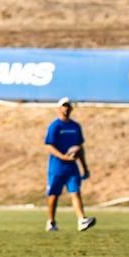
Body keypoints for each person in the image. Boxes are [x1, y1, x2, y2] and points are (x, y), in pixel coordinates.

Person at [45, 97, 96, 232]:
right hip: (57, 167)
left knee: (76, 193)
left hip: (72, 167)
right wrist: (62, 156)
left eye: (69, 106)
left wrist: (84, 166)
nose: (66, 108)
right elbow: (49, 146)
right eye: (64, 106)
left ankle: (81, 220)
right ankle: (51, 221)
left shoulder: (75, 126)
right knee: (54, 195)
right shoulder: (55, 126)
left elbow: (80, 147)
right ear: (59, 108)